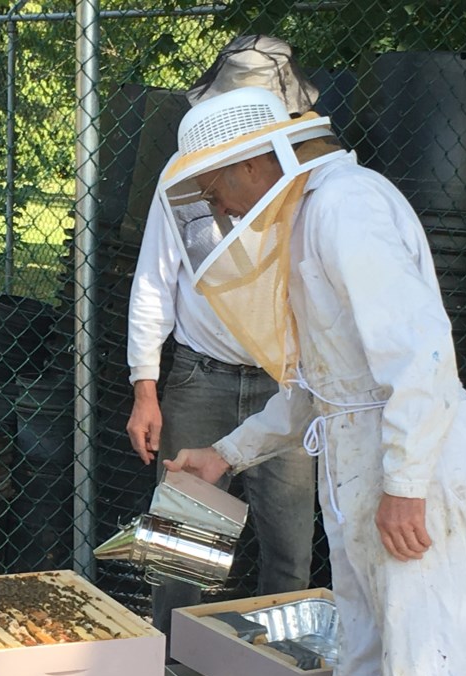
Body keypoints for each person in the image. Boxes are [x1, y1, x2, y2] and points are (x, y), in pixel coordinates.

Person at [159, 86, 466, 676]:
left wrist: (405, 484)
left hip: (415, 474)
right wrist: (224, 455)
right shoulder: (311, 218)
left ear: (252, 166)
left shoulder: (347, 209)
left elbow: (422, 355)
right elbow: (318, 388)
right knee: (366, 675)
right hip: (371, 470)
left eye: (215, 187)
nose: (219, 208)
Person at [126, 36, 320, 642]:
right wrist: (145, 389)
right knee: (181, 553)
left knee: (289, 553)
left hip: (284, 387)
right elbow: (154, 281)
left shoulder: (310, 181)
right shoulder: (181, 178)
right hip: (198, 380)